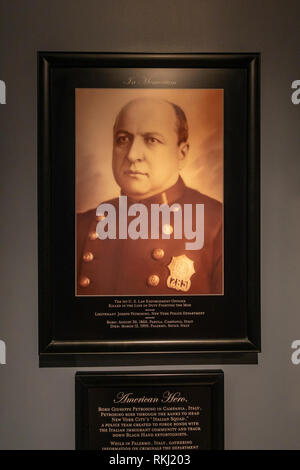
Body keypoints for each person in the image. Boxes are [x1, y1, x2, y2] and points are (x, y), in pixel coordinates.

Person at [76, 97, 222, 295]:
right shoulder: (81, 226)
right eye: (123, 139)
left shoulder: (218, 224)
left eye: (152, 140)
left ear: (182, 154)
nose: (132, 154)